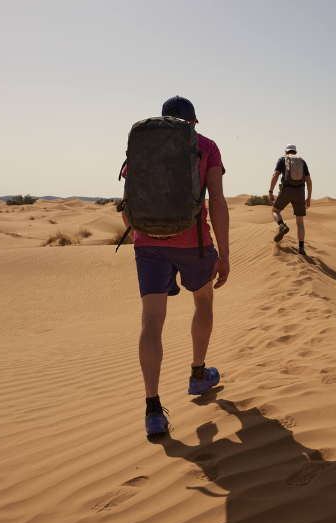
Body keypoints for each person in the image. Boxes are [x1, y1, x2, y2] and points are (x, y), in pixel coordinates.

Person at [122, 95, 230, 437]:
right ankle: (198, 376)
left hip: (147, 243)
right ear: (193, 122)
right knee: (203, 302)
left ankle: (153, 410)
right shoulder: (207, 146)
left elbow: (127, 206)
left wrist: (146, 233)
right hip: (194, 242)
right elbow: (217, 201)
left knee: (151, 322)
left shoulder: (143, 144)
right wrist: (223, 253)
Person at [268, 144, 312, 256]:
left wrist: (271, 191)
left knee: (275, 211)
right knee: (300, 222)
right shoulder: (302, 161)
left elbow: (275, 175)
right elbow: (309, 180)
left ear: (286, 151)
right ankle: (301, 247)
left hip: (286, 189)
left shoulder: (282, 159)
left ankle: (281, 225)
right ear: (295, 152)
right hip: (300, 192)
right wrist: (308, 197)